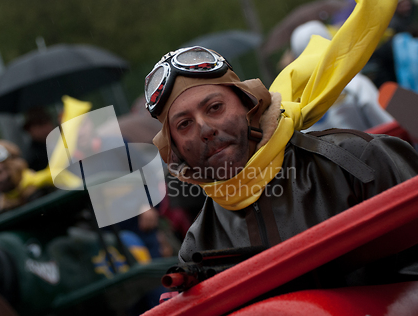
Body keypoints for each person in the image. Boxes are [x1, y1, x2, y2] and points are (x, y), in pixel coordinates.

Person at [145, 0, 418, 283]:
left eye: (215, 107)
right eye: (184, 124)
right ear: (174, 149)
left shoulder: (360, 160)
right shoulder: (196, 248)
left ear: (250, 104)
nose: (205, 128)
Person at [289, 20, 394, 132]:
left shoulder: (296, 104)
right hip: (373, 148)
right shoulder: (355, 84)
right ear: (332, 43)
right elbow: (388, 127)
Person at [23, 107, 55, 171]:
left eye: (47, 122)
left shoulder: (61, 142)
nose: (46, 128)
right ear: (30, 129)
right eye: (40, 124)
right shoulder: (33, 156)